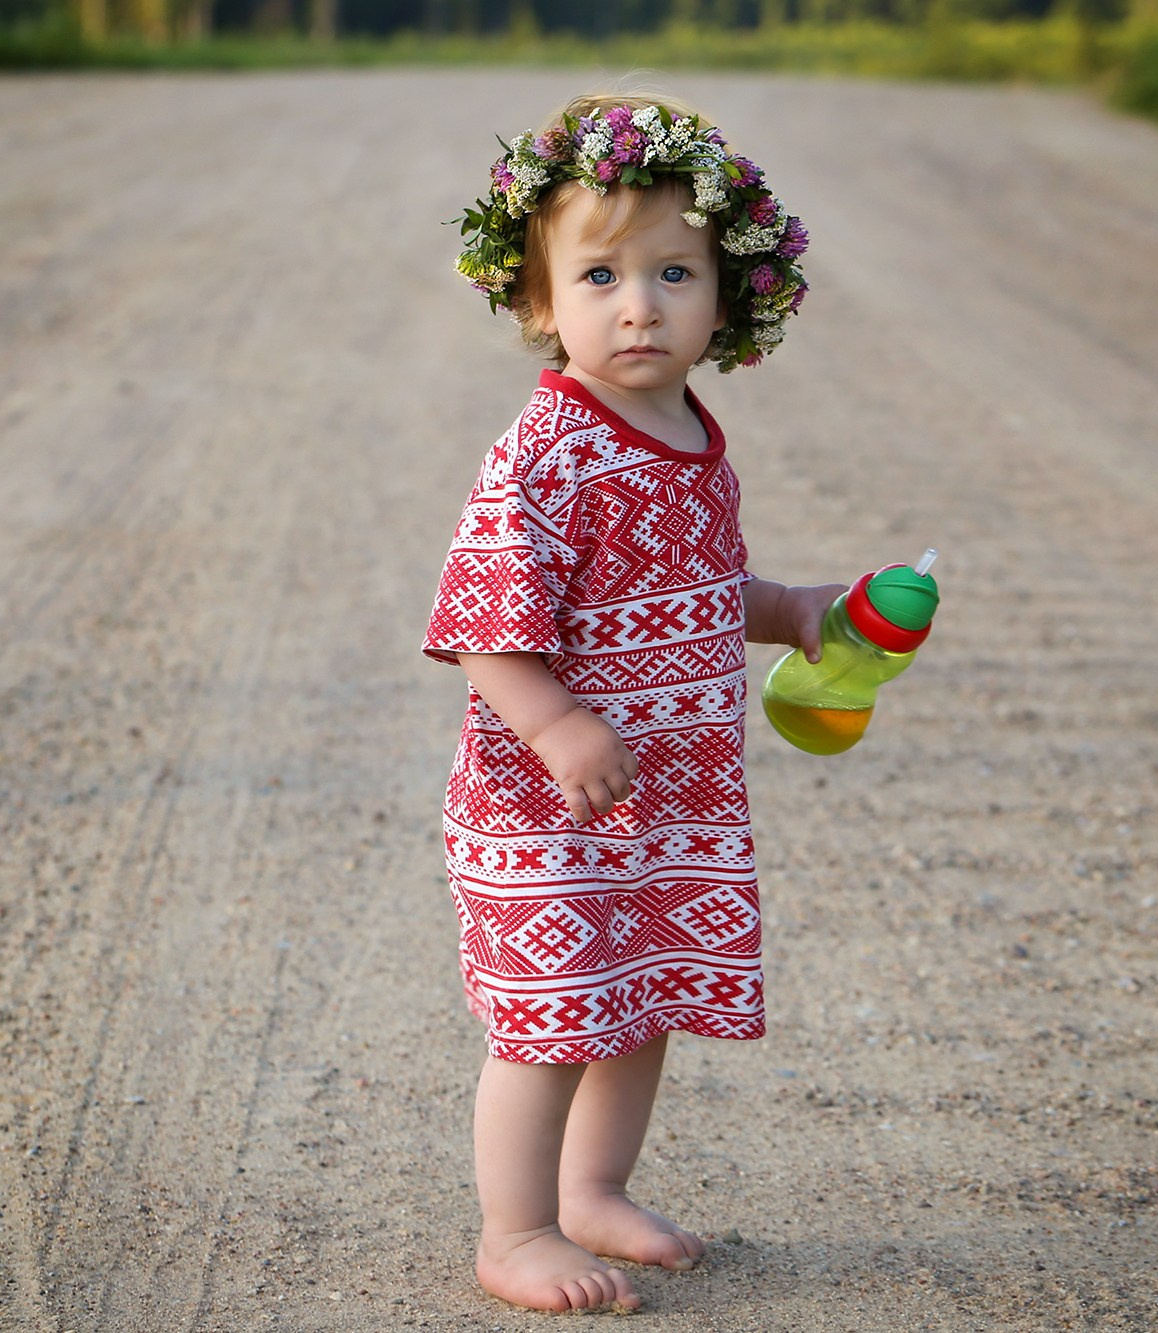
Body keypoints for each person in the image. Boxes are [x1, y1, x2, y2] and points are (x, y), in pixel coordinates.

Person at [423, 92, 840, 1314]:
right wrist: (555, 724)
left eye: (673, 271)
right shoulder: (547, 448)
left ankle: (594, 1192)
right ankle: (515, 1229)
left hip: (654, 797)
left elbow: (697, 587)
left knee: (635, 996)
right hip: (547, 800)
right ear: (542, 302)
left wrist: (792, 608)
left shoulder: (688, 431)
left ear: (730, 296)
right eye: (599, 275)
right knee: (552, 1018)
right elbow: (480, 624)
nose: (640, 304)